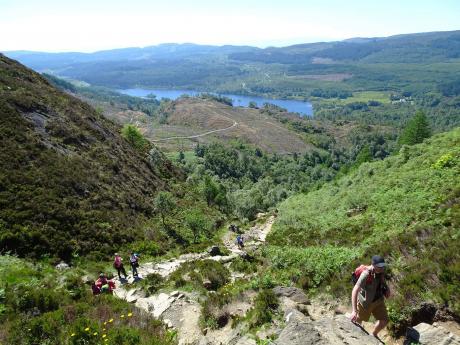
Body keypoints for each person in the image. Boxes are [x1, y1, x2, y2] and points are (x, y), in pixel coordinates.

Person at [350, 255, 390, 338]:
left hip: (378, 301)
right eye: (379, 266)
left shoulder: (381, 271)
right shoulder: (366, 274)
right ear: (373, 265)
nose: (382, 268)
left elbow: (382, 281)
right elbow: (355, 290)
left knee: (384, 321)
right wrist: (354, 310)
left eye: (383, 266)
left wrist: (387, 289)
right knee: (357, 321)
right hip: (365, 303)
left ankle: (374, 334)